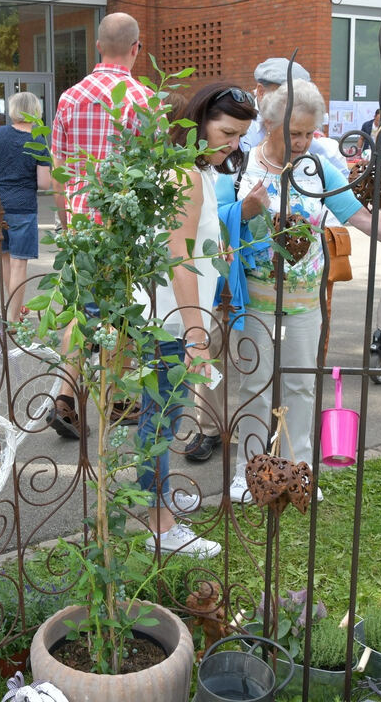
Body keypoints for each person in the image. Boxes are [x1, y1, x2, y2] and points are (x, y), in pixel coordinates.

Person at [222, 79, 381, 504]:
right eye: (294, 133)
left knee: (303, 387)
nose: (303, 141)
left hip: (306, 303)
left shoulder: (319, 169)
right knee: (255, 388)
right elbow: (217, 227)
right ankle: (248, 473)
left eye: (308, 132)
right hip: (255, 300)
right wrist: (246, 210)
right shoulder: (242, 167)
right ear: (268, 125)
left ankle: (296, 471)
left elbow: (361, 217)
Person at [137, 82, 258, 558]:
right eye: (225, 132)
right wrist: (194, 331)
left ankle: (159, 503)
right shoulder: (185, 175)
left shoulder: (197, 170)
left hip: (174, 316)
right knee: (160, 424)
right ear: (198, 119)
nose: (231, 144)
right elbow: (177, 258)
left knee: (161, 420)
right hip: (172, 321)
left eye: (238, 136)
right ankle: (160, 527)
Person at [46, 11, 151, 438]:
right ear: (136, 50)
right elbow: (150, 173)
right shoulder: (144, 100)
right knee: (121, 308)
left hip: (81, 224)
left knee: (80, 309)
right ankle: (121, 399)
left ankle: (66, 398)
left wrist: (68, 224)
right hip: (124, 225)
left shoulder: (69, 98)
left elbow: (58, 171)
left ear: (96, 47)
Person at [0, 91, 47, 326]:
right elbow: (45, 183)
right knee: (19, 262)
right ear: (36, 111)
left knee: (5, 258)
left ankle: (11, 308)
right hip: (22, 206)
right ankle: (13, 317)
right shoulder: (38, 140)